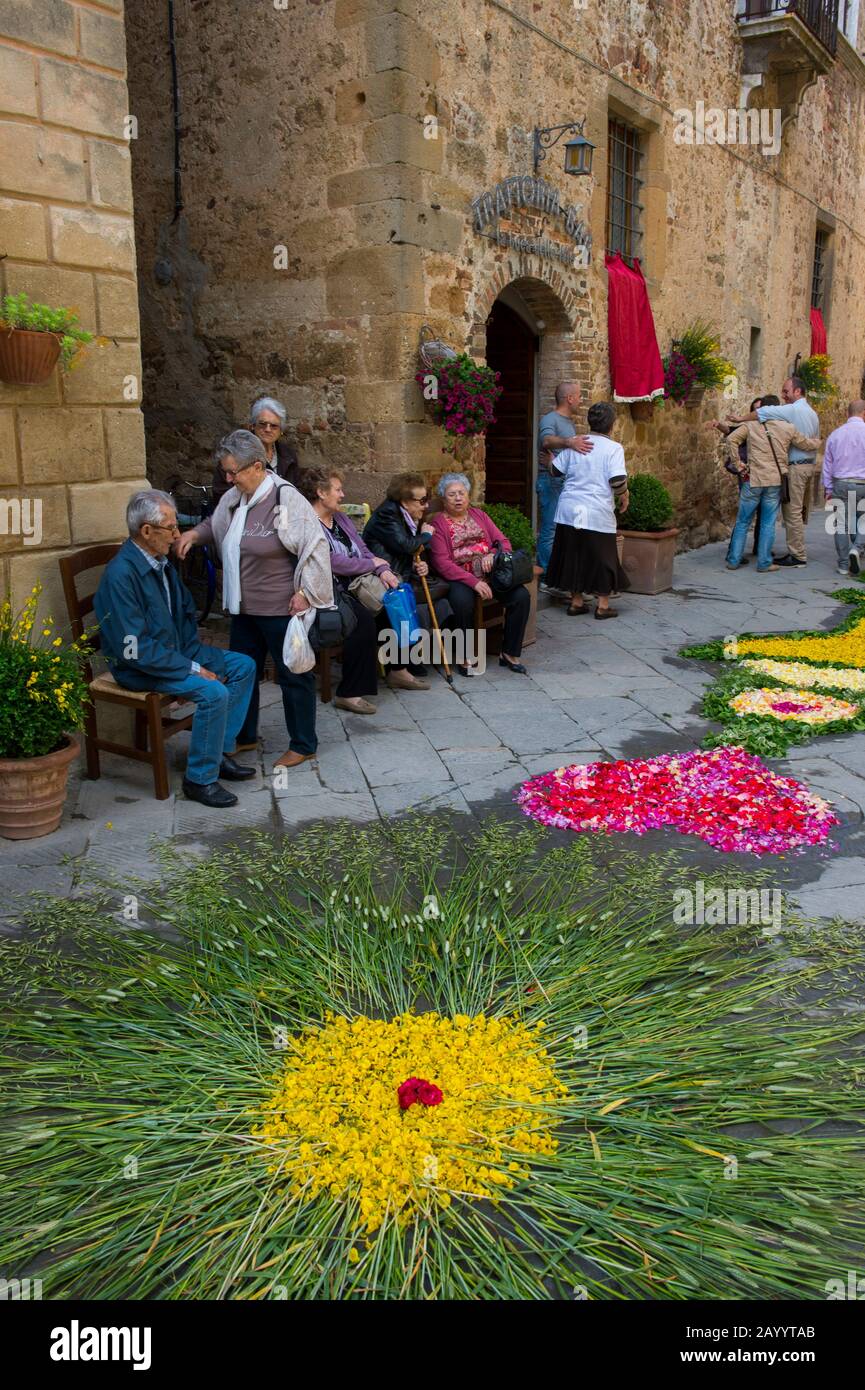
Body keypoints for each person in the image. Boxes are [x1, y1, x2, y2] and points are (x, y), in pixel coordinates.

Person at [176, 430, 333, 769]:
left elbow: (315, 545)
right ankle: (245, 736)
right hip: (243, 608)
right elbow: (215, 524)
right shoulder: (236, 498)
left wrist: (306, 593)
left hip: (281, 608)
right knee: (243, 673)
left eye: (234, 472)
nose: (228, 478)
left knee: (294, 675)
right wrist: (193, 533)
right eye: (226, 472)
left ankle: (304, 743)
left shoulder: (284, 499)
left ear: (258, 466)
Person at [94, 490, 257, 809]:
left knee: (244, 666)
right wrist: (191, 670)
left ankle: (216, 752)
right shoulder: (121, 576)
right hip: (139, 667)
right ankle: (200, 779)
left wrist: (193, 659)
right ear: (146, 531)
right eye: (171, 528)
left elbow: (183, 614)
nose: (177, 535)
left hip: (176, 652)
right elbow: (135, 649)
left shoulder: (161, 562)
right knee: (214, 692)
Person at [298, 467, 403, 713]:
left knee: (392, 602)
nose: (343, 494)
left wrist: (382, 570)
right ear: (321, 493)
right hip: (325, 588)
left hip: (356, 583)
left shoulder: (340, 518)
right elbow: (330, 561)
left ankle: (399, 670)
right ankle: (350, 693)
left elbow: (364, 551)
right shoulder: (306, 524)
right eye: (338, 490)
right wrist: (370, 565)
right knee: (361, 621)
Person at [427, 472, 531, 676]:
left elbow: (504, 543)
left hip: (490, 573)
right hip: (459, 576)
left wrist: (492, 555)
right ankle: (464, 655)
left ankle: (509, 653)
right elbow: (442, 563)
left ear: (468, 496)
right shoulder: (438, 524)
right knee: (462, 602)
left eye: (461, 493)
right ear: (443, 499)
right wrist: (473, 582)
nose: (458, 498)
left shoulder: (479, 515)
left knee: (521, 596)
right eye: (452, 494)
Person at [544, 402, 630, 619]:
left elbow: (554, 471)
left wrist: (549, 460)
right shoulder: (613, 448)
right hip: (596, 510)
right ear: (611, 425)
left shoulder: (576, 443)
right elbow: (618, 480)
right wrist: (624, 494)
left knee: (573, 555)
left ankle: (576, 602)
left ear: (590, 422)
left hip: (569, 510)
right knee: (604, 558)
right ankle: (602, 606)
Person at [363, 472, 452, 681]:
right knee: (401, 608)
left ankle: (411, 662)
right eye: (421, 501)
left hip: (399, 574)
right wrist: (427, 534)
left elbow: (406, 550)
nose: (426, 505)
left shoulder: (406, 515)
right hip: (383, 578)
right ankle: (401, 669)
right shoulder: (388, 514)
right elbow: (406, 545)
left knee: (440, 605)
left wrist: (417, 566)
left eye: (427, 499)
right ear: (404, 500)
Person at [721, 397, 820, 573]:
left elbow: (731, 440)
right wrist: (817, 442)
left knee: (743, 521)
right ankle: (764, 562)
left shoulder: (750, 426)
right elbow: (805, 443)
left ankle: (733, 560)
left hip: (753, 479)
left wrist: (739, 464)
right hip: (774, 482)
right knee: (768, 522)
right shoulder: (787, 428)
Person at [536, 382, 593, 585]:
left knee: (560, 531)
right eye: (578, 396)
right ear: (569, 398)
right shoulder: (551, 419)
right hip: (550, 482)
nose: (580, 400)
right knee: (549, 531)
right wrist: (569, 442)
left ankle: (556, 575)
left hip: (562, 483)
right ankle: (545, 578)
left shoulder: (568, 422)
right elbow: (546, 440)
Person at [212, 396, 301, 503]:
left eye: (273, 426)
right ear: (252, 426)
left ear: (281, 431)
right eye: (262, 424)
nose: (267, 429)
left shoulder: (288, 456)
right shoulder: (234, 454)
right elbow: (221, 494)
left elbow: (296, 491)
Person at [710, 397, 765, 562]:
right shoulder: (747, 427)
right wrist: (718, 424)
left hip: (763, 475)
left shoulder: (770, 427)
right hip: (748, 475)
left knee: (763, 514)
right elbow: (730, 432)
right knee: (745, 515)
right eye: (754, 409)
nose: (756, 413)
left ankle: (758, 548)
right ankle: (734, 553)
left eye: (759, 410)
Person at [822, 401, 865, 575]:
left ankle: (842, 564)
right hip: (863, 483)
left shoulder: (835, 435)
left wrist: (828, 488)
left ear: (848, 413)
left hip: (841, 483)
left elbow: (827, 464)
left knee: (840, 524)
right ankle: (857, 548)